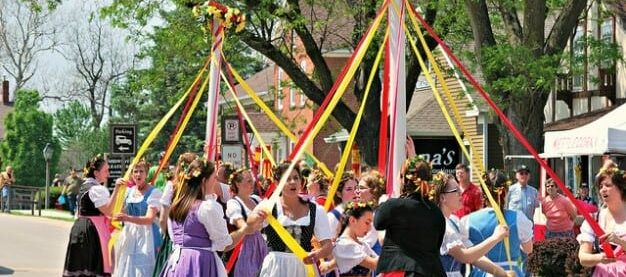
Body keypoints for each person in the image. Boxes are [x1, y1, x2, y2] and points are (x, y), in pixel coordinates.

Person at [160, 158, 253, 277]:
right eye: (214, 177)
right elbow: (224, 245)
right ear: (204, 181)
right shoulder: (208, 207)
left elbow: (173, 236)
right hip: (200, 262)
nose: (216, 181)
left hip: (177, 264)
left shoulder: (177, 206)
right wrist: (245, 229)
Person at [247, 161, 333, 277]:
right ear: (277, 183)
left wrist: (317, 255)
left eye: (296, 178)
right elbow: (250, 225)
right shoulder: (269, 206)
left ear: (301, 182)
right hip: (276, 268)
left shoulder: (315, 210)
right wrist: (256, 217)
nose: (292, 182)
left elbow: (327, 245)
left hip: (304, 267)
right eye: (287, 179)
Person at [374, 156, 447, 276]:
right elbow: (436, 245)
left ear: (404, 179)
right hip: (432, 272)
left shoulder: (394, 205)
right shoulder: (436, 212)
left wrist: (382, 204)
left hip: (401, 270)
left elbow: (378, 223)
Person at [431, 171, 511, 277]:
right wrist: (495, 238)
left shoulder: (454, 221)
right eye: (456, 190)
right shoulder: (442, 224)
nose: (461, 193)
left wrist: (502, 273)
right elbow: (465, 256)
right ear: (442, 198)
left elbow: (474, 256)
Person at [464, 169, 533, 277]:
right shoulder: (518, 218)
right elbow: (528, 249)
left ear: (483, 192)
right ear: (506, 191)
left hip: (481, 273)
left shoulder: (468, 220)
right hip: (511, 272)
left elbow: (465, 253)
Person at [63, 155, 123, 277]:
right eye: (106, 171)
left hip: (80, 228)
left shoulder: (85, 186)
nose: (108, 174)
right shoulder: (96, 189)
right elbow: (108, 210)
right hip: (93, 230)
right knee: (93, 265)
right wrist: (117, 189)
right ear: (96, 172)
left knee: (82, 266)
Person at [113, 160, 163, 277]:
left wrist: (127, 218)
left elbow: (149, 219)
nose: (138, 174)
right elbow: (117, 212)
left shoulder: (153, 192)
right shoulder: (129, 192)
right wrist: (117, 190)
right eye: (135, 171)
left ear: (146, 174)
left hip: (148, 235)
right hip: (130, 235)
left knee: (144, 270)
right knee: (128, 268)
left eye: (141, 171)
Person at [153, 152, 198, 277]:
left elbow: (162, 219)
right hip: (195, 241)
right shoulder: (198, 188)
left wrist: (168, 234)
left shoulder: (171, 186)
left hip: (173, 239)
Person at [577, 166, 626, 275]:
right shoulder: (595, 218)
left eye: (608, 185)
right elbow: (583, 257)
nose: (603, 189)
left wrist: (620, 242)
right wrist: (600, 257)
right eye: (600, 186)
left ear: (621, 188)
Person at [225, 168, 269, 277]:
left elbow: (266, 223)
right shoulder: (233, 203)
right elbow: (241, 224)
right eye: (249, 181)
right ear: (238, 184)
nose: (252, 183)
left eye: (252, 180)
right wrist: (250, 226)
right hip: (242, 247)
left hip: (259, 245)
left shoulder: (256, 199)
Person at [333, 201, 378, 276]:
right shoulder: (345, 244)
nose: (370, 228)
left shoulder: (361, 243)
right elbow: (375, 264)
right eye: (367, 223)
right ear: (352, 220)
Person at [328, 172, 359, 237]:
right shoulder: (332, 217)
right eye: (349, 189)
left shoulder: (364, 211)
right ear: (339, 193)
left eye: (356, 188)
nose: (355, 192)